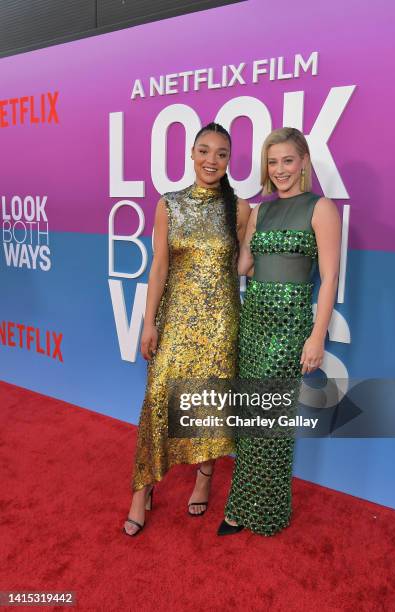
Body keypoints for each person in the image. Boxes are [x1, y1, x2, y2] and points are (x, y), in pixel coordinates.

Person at [123, 122, 250, 536]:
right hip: (175, 320)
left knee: (209, 405)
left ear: (230, 160)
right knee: (158, 397)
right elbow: (158, 266)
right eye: (204, 151)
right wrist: (148, 323)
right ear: (191, 155)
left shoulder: (242, 208)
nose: (211, 160)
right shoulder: (169, 204)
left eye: (221, 154)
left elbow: (243, 268)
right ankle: (141, 489)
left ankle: (204, 476)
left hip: (220, 324)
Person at [218, 127, 341, 537]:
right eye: (273, 162)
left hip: (289, 326)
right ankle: (243, 504)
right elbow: (244, 267)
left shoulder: (321, 208)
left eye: (288, 160)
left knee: (270, 419)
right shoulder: (261, 211)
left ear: (304, 161)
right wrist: (231, 228)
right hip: (253, 320)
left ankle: (264, 511)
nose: (281, 169)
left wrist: (316, 335)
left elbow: (329, 279)